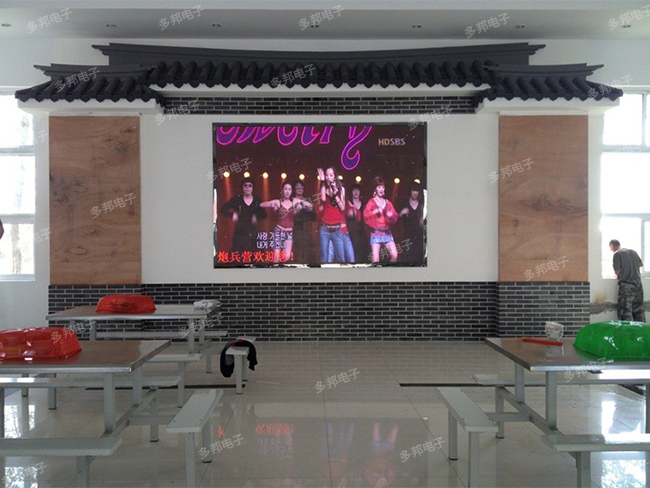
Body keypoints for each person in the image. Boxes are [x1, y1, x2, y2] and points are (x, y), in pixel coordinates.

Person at [260, 181, 313, 263]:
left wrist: (302, 205)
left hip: (289, 232)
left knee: (287, 257)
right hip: (278, 231)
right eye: (285, 189)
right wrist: (272, 205)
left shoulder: (295, 201)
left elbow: (310, 206)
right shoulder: (278, 202)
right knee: (276, 258)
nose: (287, 191)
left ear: (291, 191)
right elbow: (261, 204)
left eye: (289, 189)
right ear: (282, 190)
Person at [219, 177, 267, 253]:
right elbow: (223, 209)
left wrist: (256, 216)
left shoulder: (257, 200)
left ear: (253, 188)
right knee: (239, 255)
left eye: (250, 186)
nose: (247, 188)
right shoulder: (237, 199)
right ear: (242, 187)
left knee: (255, 255)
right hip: (240, 233)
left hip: (253, 232)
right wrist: (232, 214)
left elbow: (264, 214)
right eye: (245, 185)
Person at [364, 177, 399, 263]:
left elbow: (395, 217)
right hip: (376, 233)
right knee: (376, 259)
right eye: (379, 187)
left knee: (395, 254)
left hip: (387, 232)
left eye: (383, 187)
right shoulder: (371, 202)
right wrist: (375, 211)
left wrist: (391, 215)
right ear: (375, 189)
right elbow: (365, 215)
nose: (381, 189)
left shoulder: (388, 202)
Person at [609, 239, 646, 322]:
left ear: (612, 246)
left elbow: (617, 271)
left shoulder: (617, 254)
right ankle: (642, 330)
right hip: (638, 284)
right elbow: (640, 265)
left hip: (627, 285)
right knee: (639, 311)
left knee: (625, 312)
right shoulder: (633, 252)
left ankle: (627, 330)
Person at [317, 167, 348, 263]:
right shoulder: (324, 188)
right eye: (326, 175)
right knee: (324, 259)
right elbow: (323, 199)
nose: (328, 177)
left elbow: (342, 208)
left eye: (331, 175)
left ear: (335, 177)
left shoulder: (341, 189)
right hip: (325, 229)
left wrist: (335, 194)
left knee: (341, 258)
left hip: (337, 230)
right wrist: (322, 181)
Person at [291, 180, 318, 265]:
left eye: (301, 187)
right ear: (294, 189)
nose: (299, 189)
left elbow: (314, 216)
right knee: (298, 251)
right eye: (297, 187)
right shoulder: (291, 201)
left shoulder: (308, 200)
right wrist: (296, 208)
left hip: (308, 228)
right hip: (297, 228)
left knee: (309, 251)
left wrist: (309, 208)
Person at [398, 182, 425, 263]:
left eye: (417, 191)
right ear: (410, 191)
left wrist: (423, 221)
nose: (415, 193)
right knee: (407, 259)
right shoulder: (404, 204)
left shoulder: (422, 205)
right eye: (413, 190)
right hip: (407, 237)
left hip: (419, 237)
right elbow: (395, 220)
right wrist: (401, 213)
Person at [346, 184, 368, 263]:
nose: (356, 192)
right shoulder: (347, 204)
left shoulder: (364, 204)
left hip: (362, 232)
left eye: (357, 190)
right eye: (354, 190)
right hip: (351, 230)